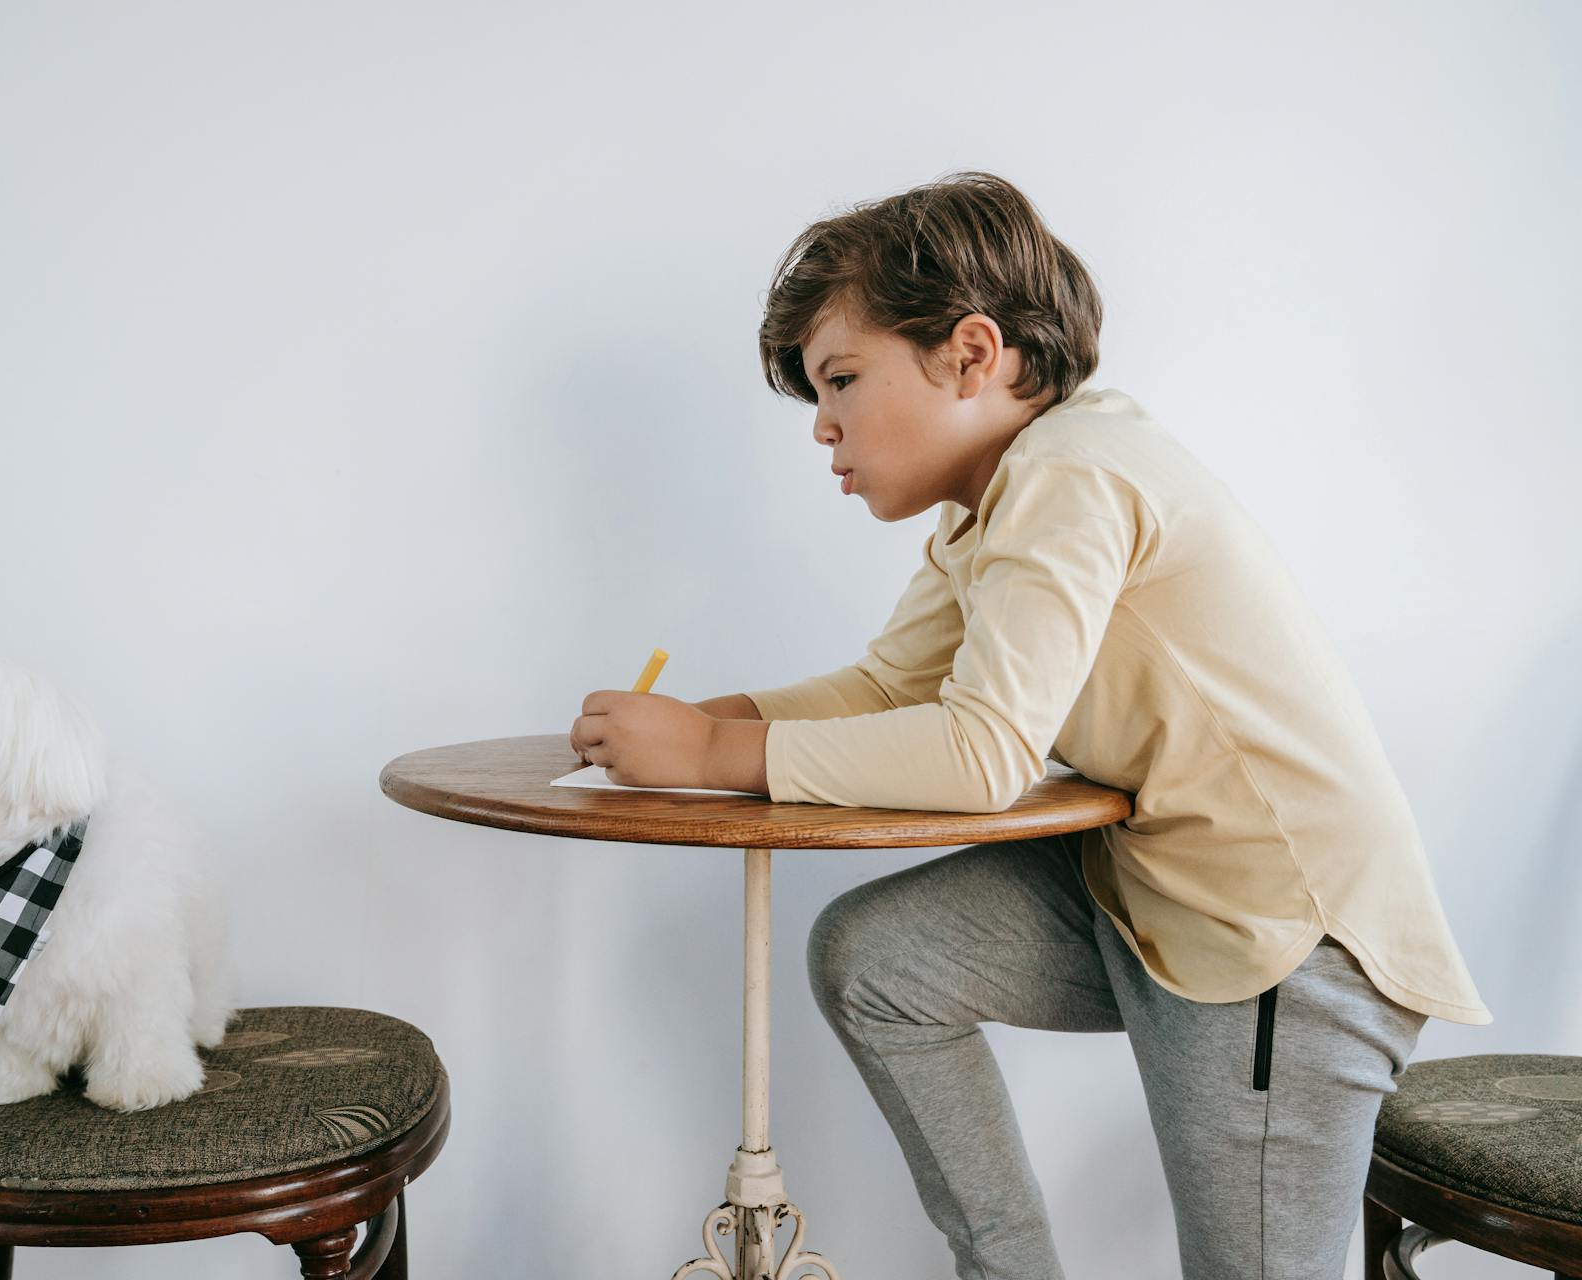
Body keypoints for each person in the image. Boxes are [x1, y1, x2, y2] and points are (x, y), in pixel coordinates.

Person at [566, 169, 1491, 1278]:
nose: (822, 426)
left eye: (843, 379)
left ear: (972, 351)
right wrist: (696, 722)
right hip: (1148, 893)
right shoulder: (988, 510)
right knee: (877, 959)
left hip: (1279, 941)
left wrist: (716, 753)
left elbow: (982, 751)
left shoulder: (1074, 472)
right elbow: (886, 689)